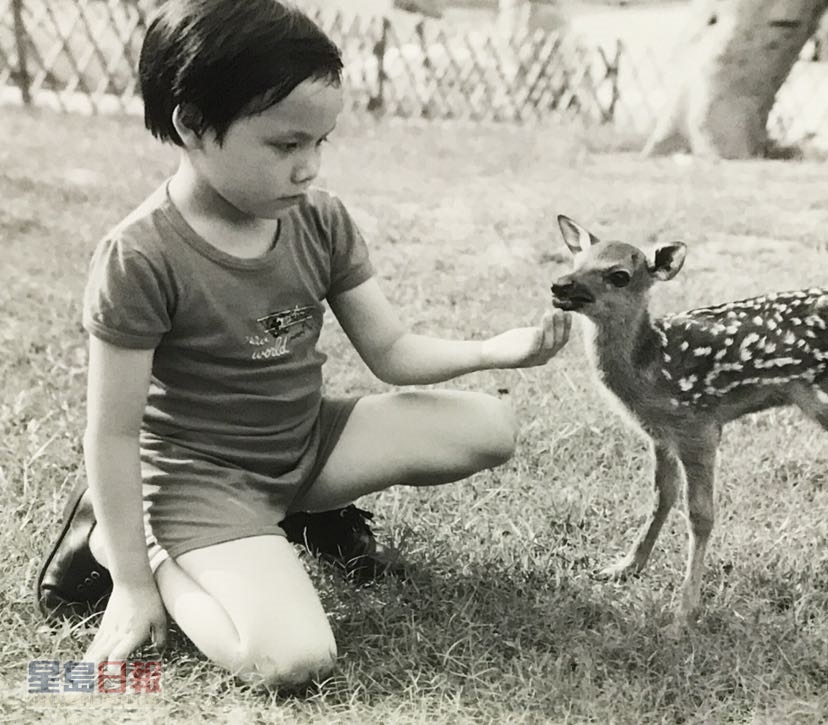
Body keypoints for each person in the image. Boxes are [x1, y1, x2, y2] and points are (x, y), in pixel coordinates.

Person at [36, 0, 571, 689]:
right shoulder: (140, 256)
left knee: (490, 426)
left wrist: (499, 347)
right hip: (202, 482)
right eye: (286, 146)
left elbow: (393, 350)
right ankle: (131, 545)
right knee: (290, 658)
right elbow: (111, 433)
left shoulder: (320, 220)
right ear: (192, 125)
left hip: (303, 447)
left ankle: (302, 514)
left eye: (321, 143)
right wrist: (135, 584)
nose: (309, 167)